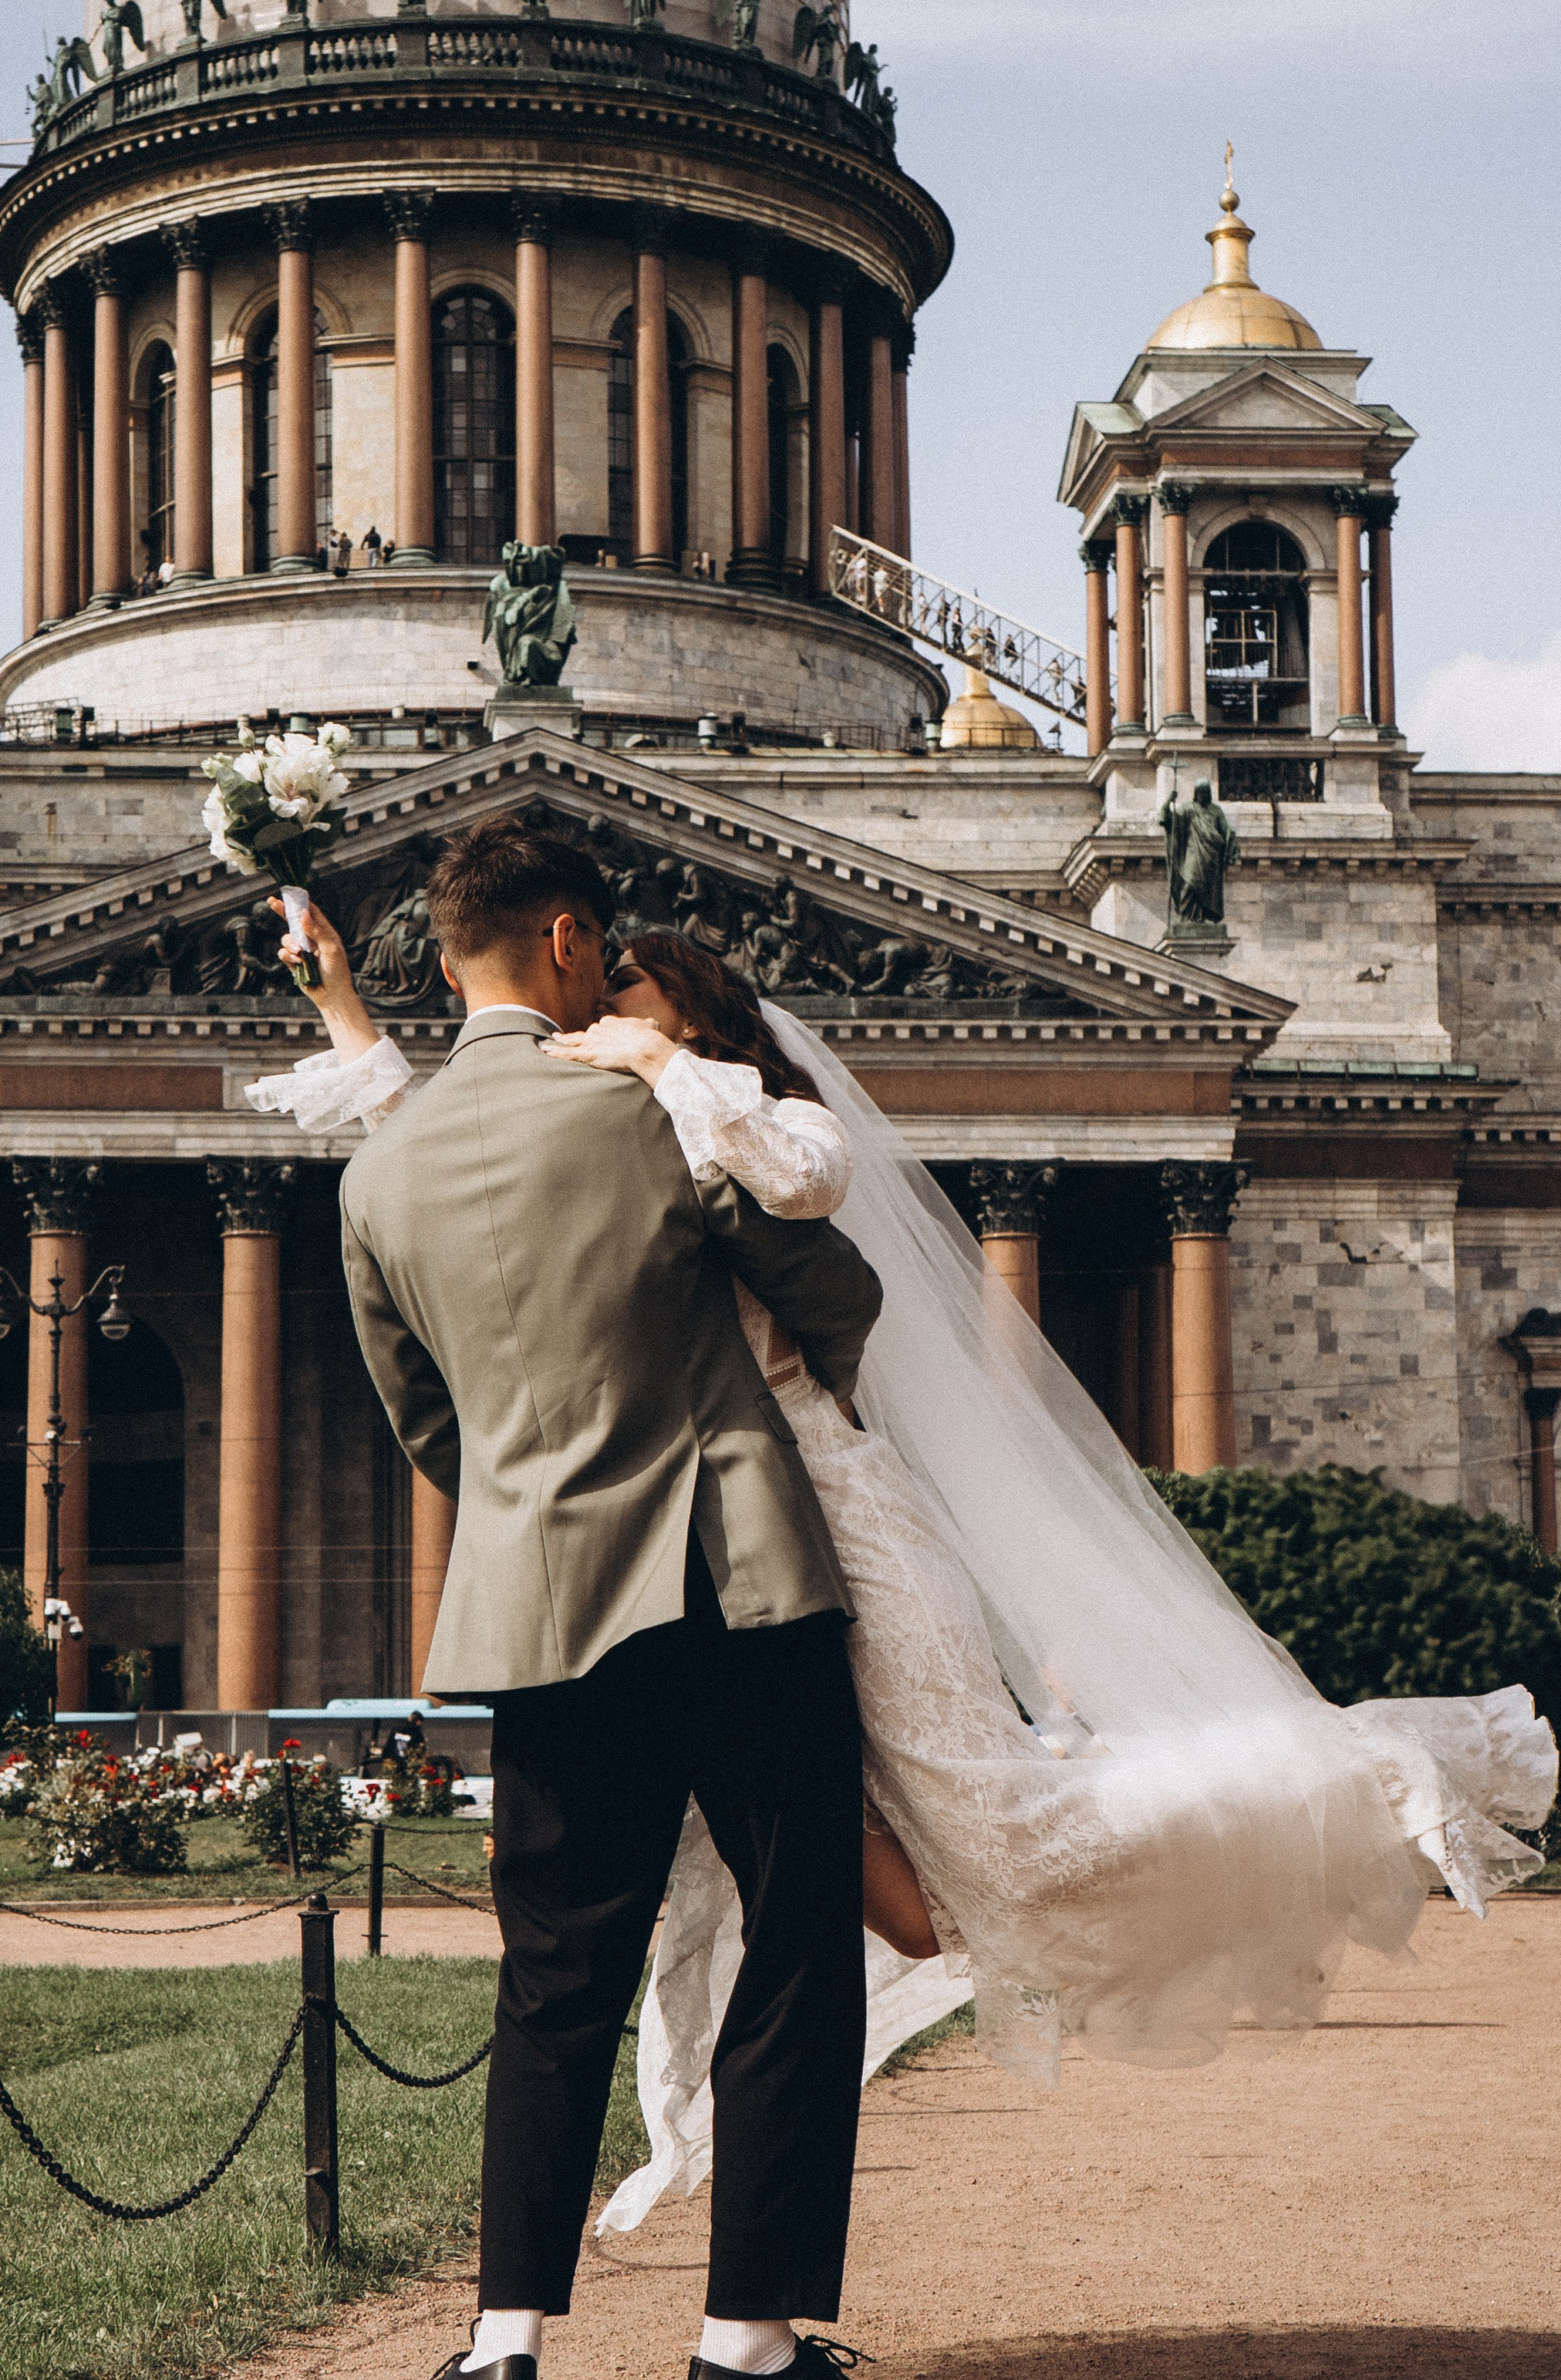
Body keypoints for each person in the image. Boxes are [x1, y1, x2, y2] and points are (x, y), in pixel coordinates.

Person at [244, 898, 1557, 2182]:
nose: (576, 1032)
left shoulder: (719, 1133)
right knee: (915, 1910)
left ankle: (1369, 1769)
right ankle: (755, 2263)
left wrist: (655, 1066)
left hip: (829, 1534)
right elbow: (468, 1188)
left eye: (613, 1010)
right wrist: (353, 1016)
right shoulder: (630, 1136)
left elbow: (796, 1199)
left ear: (690, 1027)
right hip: (714, 1575)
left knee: (1005, 1844)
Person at [292, 817, 940, 2380]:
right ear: (572, 944)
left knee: (551, 1977)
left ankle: (498, 2361)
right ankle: (748, 2352)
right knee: (795, 1948)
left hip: (533, 1609)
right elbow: (832, 1290)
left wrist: (528, 1496)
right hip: (728, 1578)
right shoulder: (650, 1103)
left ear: (449, 967)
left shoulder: (382, 1169)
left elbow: (421, 1422)